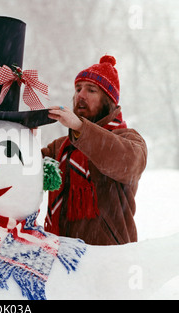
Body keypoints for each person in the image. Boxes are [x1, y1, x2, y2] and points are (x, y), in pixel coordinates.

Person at [42, 55, 147, 245]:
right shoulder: (60, 146)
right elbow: (24, 168)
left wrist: (81, 129)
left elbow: (128, 163)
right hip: (60, 255)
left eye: (91, 90)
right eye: (77, 89)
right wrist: (23, 135)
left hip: (109, 257)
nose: (81, 95)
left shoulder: (129, 139)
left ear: (108, 101)